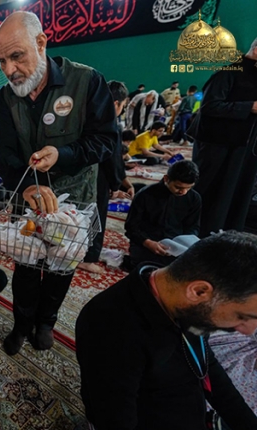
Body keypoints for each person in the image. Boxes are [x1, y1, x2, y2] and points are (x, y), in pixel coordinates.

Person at [0, 11, 118, 355]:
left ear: (41, 43)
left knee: (61, 267)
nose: (9, 70)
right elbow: (1, 151)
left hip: (74, 202)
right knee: (26, 265)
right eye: (1, 61)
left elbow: (106, 141)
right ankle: (22, 324)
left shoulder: (87, 81)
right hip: (28, 200)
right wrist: (26, 185)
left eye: (17, 56)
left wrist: (63, 154)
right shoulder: (5, 98)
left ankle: (46, 322)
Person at [76, 231, 257, 430]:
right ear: (198, 291)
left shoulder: (184, 302)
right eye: (242, 316)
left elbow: (206, 364)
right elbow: (115, 421)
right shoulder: (112, 331)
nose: (249, 331)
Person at [191, 37, 257, 236]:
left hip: (246, 149)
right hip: (218, 146)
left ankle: (228, 237)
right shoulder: (229, 72)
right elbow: (209, 106)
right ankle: (197, 233)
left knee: (237, 195)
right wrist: (249, 107)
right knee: (212, 192)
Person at [78, 80, 129, 274]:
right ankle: (87, 258)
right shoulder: (110, 124)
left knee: (76, 214)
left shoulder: (82, 116)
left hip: (76, 175)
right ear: (116, 103)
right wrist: (116, 184)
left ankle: (70, 251)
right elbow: (112, 158)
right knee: (95, 216)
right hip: (97, 178)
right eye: (123, 105)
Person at [125, 160, 201, 268]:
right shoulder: (145, 194)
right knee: (146, 267)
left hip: (176, 244)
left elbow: (193, 227)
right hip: (148, 241)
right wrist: (148, 243)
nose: (183, 192)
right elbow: (131, 227)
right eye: (178, 187)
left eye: (188, 188)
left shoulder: (194, 198)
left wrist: (186, 242)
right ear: (166, 179)